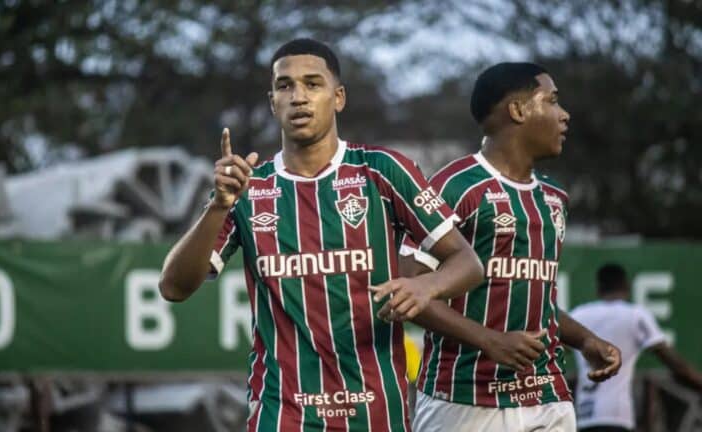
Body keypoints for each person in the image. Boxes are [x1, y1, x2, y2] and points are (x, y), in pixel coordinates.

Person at [158, 38, 484, 432]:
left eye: (313, 84)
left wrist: (427, 287)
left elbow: (468, 262)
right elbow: (173, 287)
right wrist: (218, 205)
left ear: (339, 97)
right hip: (283, 412)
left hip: (375, 409)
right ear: (272, 101)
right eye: (285, 86)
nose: (298, 97)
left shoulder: (381, 170)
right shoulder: (247, 189)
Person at [398, 62, 622, 432]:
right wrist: (490, 341)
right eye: (551, 101)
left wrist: (585, 340)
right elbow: (408, 290)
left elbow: (535, 295)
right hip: (465, 397)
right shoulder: (453, 187)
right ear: (517, 111)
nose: (564, 115)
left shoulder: (554, 198)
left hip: (547, 394)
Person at [570, 263, 702, 432]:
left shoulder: (579, 315)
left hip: (584, 416)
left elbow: (555, 352)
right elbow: (672, 361)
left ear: (598, 288)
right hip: (616, 416)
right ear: (627, 286)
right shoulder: (634, 316)